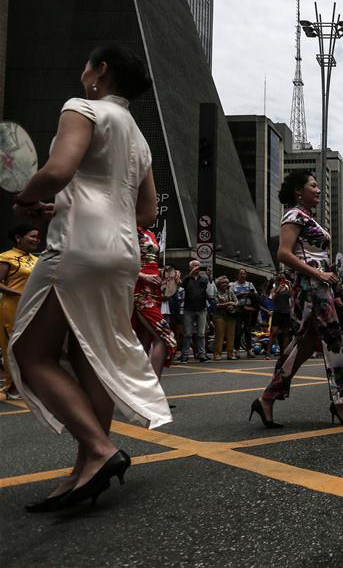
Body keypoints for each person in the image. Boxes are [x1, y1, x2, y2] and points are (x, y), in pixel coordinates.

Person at [8, 44, 171, 511]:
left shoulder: (81, 108)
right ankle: (85, 469)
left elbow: (59, 170)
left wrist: (25, 197)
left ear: (101, 71)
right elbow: (144, 210)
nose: (82, 72)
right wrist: (64, 201)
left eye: (86, 64)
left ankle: (99, 451)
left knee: (30, 352)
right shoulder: (139, 138)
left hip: (79, 246)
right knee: (89, 357)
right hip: (122, 253)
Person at [251, 170, 343, 429]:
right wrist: (319, 274)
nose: (319, 189)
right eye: (313, 185)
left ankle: (267, 398)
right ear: (299, 192)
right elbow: (284, 254)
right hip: (311, 288)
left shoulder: (308, 217)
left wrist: (328, 273)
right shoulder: (294, 215)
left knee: (306, 346)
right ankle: (341, 403)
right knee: (334, 341)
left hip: (318, 286)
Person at [0, 225, 40, 400]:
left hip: (34, 309)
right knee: (13, 348)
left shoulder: (37, 259)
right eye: (32, 236)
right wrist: (20, 294)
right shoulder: (6, 257)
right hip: (13, 309)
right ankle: (13, 387)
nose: (37, 240)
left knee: (32, 348)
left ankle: (29, 386)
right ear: (18, 237)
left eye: (38, 237)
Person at [131, 227, 177, 377]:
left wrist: (168, 277)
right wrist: (143, 276)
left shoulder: (149, 232)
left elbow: (151, 263)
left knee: (144, 341)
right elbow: (115, 260)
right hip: (139, 291)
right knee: (165, 337)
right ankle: (153, 390)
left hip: (154, 291)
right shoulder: (127, 227)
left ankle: (143, 390)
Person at [180, 260, 210, 362]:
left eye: (198, 265)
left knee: (201, 333)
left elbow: (208, 289)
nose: (196, 267)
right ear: (190, 268)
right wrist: (190, 274)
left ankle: (202, 354)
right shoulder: (187, 278)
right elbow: (182, 285)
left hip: (201, 309)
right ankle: (185, 355)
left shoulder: (204, 279)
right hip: (189, 309)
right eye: (194, 266)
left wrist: (209, 276)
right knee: (187, 333)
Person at [211, 276, 239, 360]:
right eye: (223, 283)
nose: (225, 284)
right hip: (219, 316)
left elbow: (237, 302)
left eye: (226, 282)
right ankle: (217, 354)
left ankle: (230, 354)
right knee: (219, 335)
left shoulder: (230, 292)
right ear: (218, 284)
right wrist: (228, 304)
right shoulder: (216, 293)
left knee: (231, 335)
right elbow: (215, 305)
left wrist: (232, 304)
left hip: (231, 315)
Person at [268, 273, 292, 359]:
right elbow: (273, 298)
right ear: (277, 281)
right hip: (277, 312)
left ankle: (285, 353)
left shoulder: (287, 288)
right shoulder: (274, 289)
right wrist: (278, 288)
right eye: (280, 279)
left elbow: (292, 296)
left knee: (286, 334)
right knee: (274, 332)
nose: (282, 280)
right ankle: (268, 352)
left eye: (283, 279)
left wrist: (289, 285)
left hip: (286, 312)